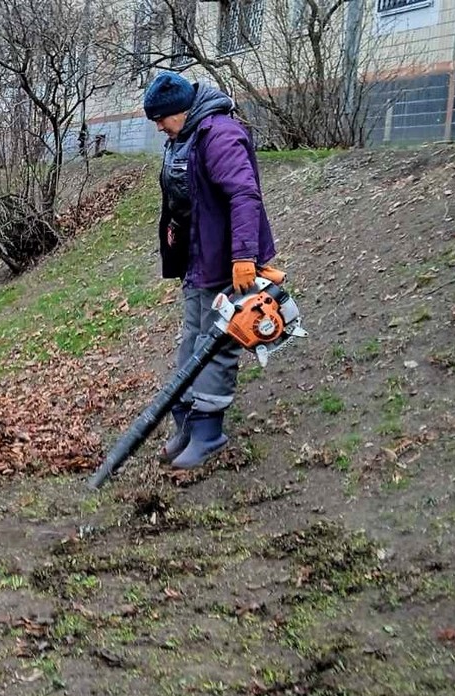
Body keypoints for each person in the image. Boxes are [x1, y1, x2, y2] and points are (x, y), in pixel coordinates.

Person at [144, 71, 276, 469]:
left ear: (181, 110)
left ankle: (208, 433)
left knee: (215, 347)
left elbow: (244, 195)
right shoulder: (183, 136)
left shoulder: (219, 135)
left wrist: (243, 257)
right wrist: (174, 225)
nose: (158, 127)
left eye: (161, 118)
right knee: (191, 343)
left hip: (227, 262)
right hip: (198, 259)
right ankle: (186, 425)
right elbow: (184, 191)